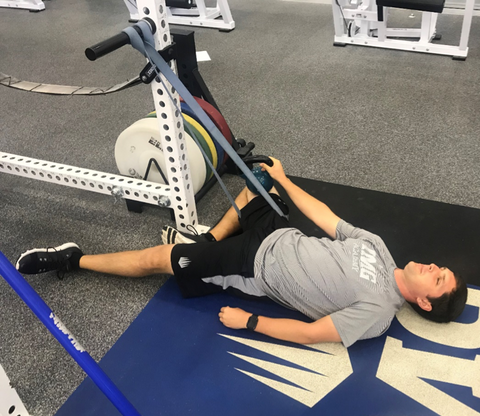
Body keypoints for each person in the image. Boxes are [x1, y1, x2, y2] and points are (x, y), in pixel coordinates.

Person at [16, 158, 468, 348]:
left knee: (158, 260)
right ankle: (208, 240)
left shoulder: (377, 314)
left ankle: (72, 259)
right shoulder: (381, 250)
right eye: (441, 268)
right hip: (281, 235)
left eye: (437, 278)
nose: (432, 266)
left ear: (424, 301)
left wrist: (249, 322)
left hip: (253, 266)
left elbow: (312, 334)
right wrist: (286, 182)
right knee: (258, 190)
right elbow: (327, 217)